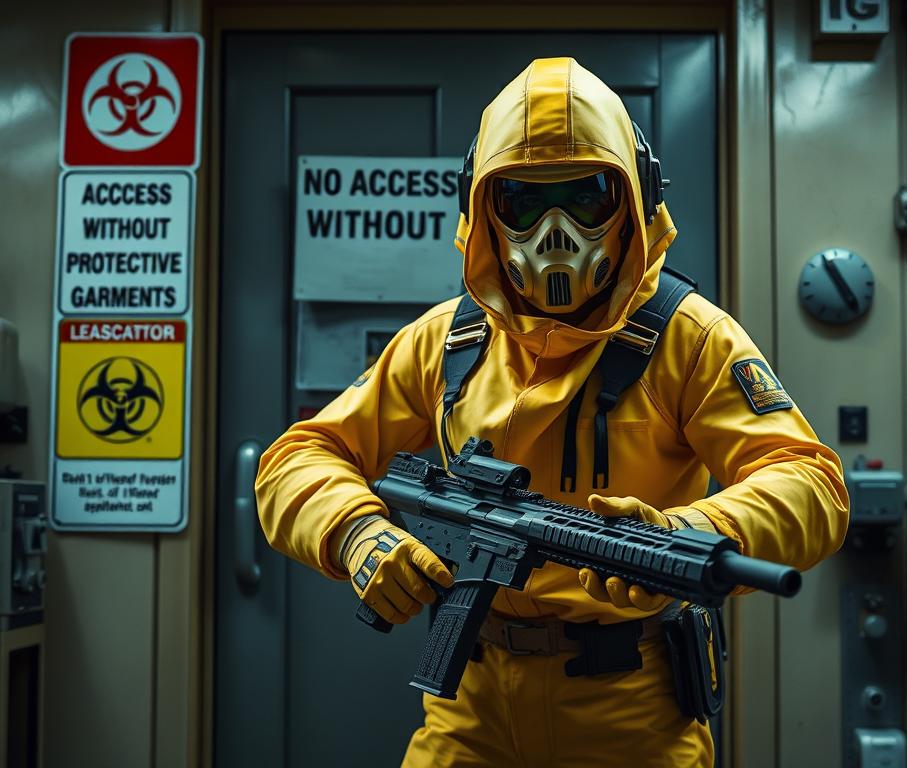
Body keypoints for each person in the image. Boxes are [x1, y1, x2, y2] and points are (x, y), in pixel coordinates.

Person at [256, 56, 849, 767]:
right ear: (482, 212)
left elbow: (811, 483)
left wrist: (691, 532)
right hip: (468, 708)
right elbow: (296, 460)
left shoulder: (689, 339)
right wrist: (356, 536)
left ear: (635, 200)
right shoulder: (447, 342)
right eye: (525, 204)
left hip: (631, 709)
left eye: (585, 198)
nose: (556, 232)